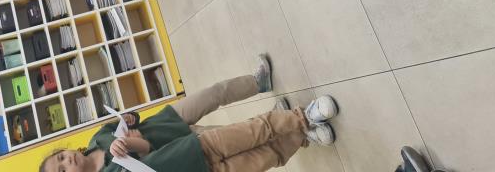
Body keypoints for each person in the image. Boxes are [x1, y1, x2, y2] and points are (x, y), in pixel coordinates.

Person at [40, 57, 340, 172]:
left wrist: (130, 123)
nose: (68, 161)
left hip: (171, 127)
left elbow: (135, 129)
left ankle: (297, 115)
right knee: (263, 155)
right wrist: (135, 146)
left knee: (228, 108)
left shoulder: (98, 139)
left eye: (61, 157)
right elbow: (149, 158)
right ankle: (301, 133)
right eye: (62, 171)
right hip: (188, 157)